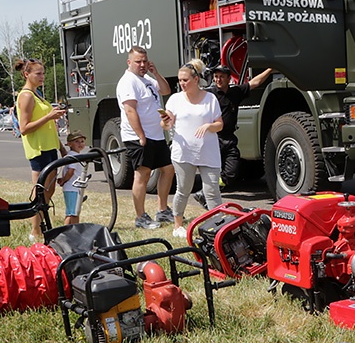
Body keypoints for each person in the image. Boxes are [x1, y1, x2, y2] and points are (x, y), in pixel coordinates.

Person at [163, 60, 224, 239]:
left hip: (208, 152)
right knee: (183, 189)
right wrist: (166, 122)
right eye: (180, 80)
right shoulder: (175, 100)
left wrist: (208, 126)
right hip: (184, 153)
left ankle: (218, 226)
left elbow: (219, 124)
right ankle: (178, 225)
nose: (182, 83)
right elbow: (166, 124)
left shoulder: (210, 99)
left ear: (196, 79)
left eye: (185, 80)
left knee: (212, 190)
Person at [116, 46, 174, 230]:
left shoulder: (147, 79)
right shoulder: (128, 82)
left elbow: (165, 91)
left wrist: (156, 73)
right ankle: (140, 216)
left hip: (156, 134)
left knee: (168, 168)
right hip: (139, 137)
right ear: (129, 62)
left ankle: (162, 209)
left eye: (144, 61)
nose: (142, 65)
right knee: (143, 174)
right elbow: (130, 110)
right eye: (138, 61)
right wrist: (141, 135)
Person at [14, 58, 67, 241]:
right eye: (38, 73)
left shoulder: (36, 94)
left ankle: (42, 226)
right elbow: (24, 128)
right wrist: (49, 116)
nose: (42, 76)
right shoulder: (26, 96)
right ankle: (35, 230)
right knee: (40, 191)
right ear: (27, 74)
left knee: (48, 191)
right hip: (39, 150)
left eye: (43, 73)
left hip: (49, 147)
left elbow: (47, 125)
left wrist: (62, 148)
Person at [206, 64, 273, 190]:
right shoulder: (209, 95)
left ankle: (217, 185)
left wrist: (269, 69)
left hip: (229, 138)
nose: (218, 80)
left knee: (232, 170)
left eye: (221, 77)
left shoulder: (236, 92)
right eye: (216, 77)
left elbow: (255, 82)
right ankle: (207, 191)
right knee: (209, 168)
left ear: (228, 79)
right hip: (213, 138)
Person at [57, 130, 88, 225]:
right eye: (76, 141)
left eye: (82, 141)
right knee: (73, 213)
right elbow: (71, 171)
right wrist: (64, 180)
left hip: (74, 188)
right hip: (72, 187)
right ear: (69, 144)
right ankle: (70, 230)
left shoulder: (73, 155)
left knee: (73, 211)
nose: (80, 144)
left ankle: (72, 230)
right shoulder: (73, 156)